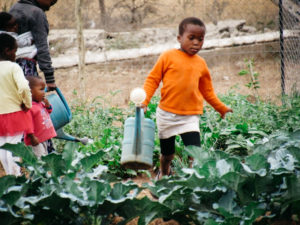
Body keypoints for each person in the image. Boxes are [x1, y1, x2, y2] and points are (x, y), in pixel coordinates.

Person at [142, 17, 233, 179]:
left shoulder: (201, 64)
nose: (196, 43)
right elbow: (153, 80)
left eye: (200, 39)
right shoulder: (167, 57)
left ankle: (194, 179)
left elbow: (208, 91)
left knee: (194, 153)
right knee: (167, 154)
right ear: (179, 38)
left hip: (189, 118)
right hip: (166, 115)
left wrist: (221, 108)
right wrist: (145, 100)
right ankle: (164, 172)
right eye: (191, 38)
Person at [0, 33, 33, 176]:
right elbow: (24, 87)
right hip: (14, 113)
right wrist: (27, 103)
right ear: (7, 51)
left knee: (2, 147)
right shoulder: (13, 67)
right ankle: (16, 178)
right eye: (15, 50)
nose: (16, 54)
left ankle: (8, 178)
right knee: (14, 148)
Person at [9, 0, 58, 90]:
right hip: (26, 67)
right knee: (29, 99)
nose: (52, 4)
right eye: (51, 1)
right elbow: (42, 46)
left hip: (9, 67)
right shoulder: (37, 13)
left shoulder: (13, 9)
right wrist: (50, 78)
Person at [24, 76, 57, 158]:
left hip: (43, 138)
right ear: (30, 92)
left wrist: (48, 105)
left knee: (44, 157)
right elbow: (27, 124)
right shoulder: (29, 107)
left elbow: (49, 111)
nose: (44, 92)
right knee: (40, 160)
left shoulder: (40, 103)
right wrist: (32, 136)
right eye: (41, 89)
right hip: (36, 140)